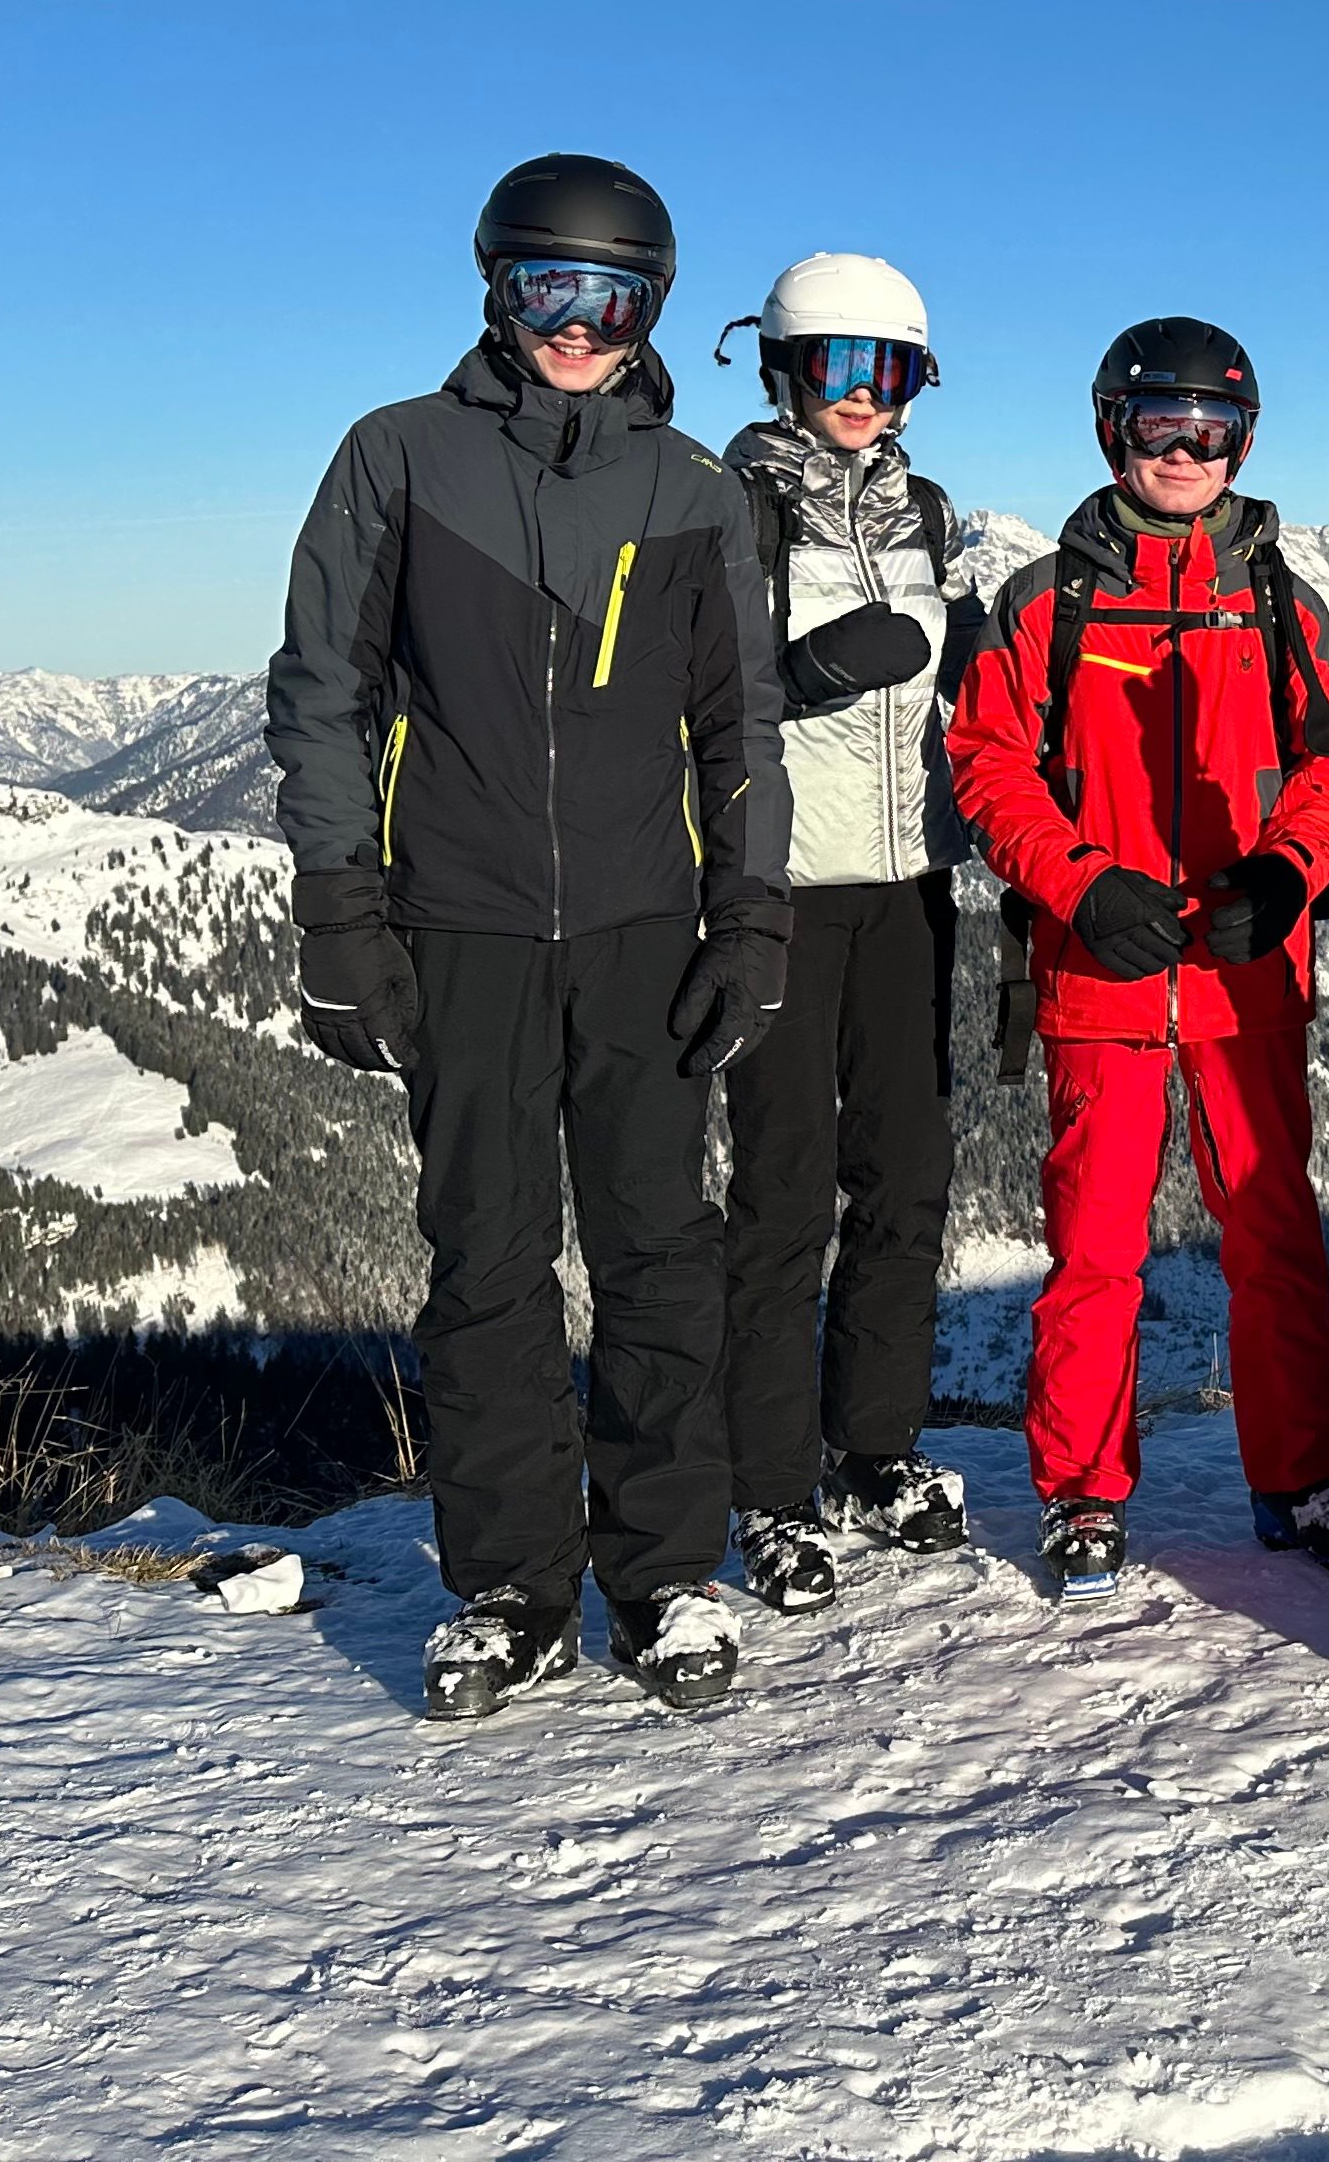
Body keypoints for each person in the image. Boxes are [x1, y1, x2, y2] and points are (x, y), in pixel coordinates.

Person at [268, 154, 794, 1719]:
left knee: (658, 1253)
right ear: (497, 289)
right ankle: (510, 1588)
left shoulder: (694, 493)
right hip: (463, 921)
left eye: (612, 297)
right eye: (548, 288)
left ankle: (665, 1573)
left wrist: (749, 919)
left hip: (643, 925)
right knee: (487, 1258)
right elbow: (322, 694)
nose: (578, 323)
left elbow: (743, 728)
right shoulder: (398, 457)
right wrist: (340, 912)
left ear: (653, 311)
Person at [942, 317, 1329, 1600]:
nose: (1184, 453)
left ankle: (1299, 1475)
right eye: (1157, 425)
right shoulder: (1049, 599)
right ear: (1111, 432)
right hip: (1103, 967)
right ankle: (1083, 1490)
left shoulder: (1281, 599)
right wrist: (1078, 883)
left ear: (1244, 442)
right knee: (1094, 1250)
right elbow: (988, 765)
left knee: (1275, 1234)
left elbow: (1328, 767)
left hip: (1246, 968)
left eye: (1210, 430)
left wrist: (1290, 873)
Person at [705, 254, 981, 1614]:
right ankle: (765, 1491)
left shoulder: (925, 512)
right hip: (785, 887)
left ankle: (873, 1446)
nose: (864, 394)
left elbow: (954, 681)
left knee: (906, 1177)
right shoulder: (731, 505)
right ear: (782, 368)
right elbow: (685, 692)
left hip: (911, 881)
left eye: (892, 368)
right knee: (782, 1192)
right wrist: (803, 675)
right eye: (837, 365)